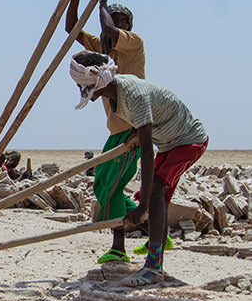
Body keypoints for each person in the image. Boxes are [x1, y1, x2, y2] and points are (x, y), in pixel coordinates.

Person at [70, 51, 208, 286]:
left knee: (154, 192)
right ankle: (157, 258)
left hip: (187, 141)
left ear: (96, 83)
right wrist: (133, 134)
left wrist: (142, 207)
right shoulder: (116, 96)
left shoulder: (132, 96)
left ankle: (154, 267)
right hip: (169, 143)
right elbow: (146, 125)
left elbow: (146, 150)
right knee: (157, 195)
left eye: (81, 85)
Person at [65, 0, 170, 264]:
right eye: (114, 18)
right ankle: (155, 227)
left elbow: (109, 31)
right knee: (103, 184)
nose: (116, 23)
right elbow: (71, 28)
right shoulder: (101, 49)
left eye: (121, 20)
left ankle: (119, 247)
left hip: (133, 126)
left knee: (110, 186)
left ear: (128, 26)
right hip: (116, 128)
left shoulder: (133, 42)